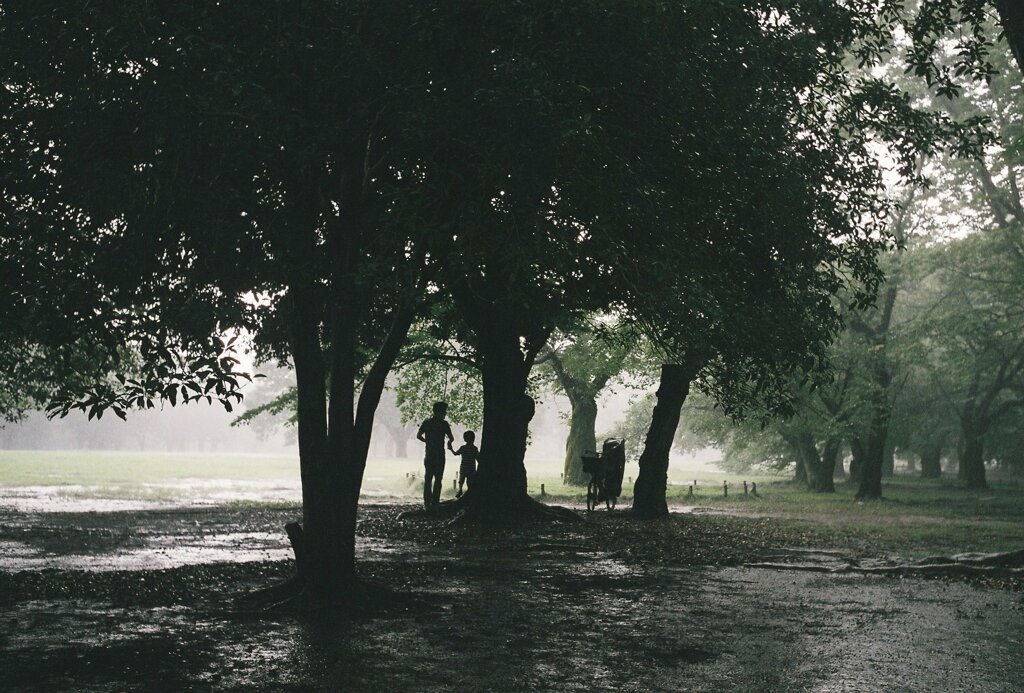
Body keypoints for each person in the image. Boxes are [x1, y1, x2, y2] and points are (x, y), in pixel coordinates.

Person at [417, 401, 454, 507]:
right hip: (440, 455)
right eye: (445, 411)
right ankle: (435, 502)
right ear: (441, 412)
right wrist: (449, 442)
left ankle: (427, 502)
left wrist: (427, 441)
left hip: (429, 454)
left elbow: (418, 435)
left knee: (428, 478)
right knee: (438, 479)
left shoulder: (427, 422)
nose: (446, 413)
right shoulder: (444, 424)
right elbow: (451, 438)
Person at [449, 430, 479, 498]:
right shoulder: (474, 448)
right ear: (473, 438)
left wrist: (451, 449)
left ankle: (460, 491)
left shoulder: (463, 448)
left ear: (465, 439)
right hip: (471, 468)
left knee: (461, 481)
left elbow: (455, 454)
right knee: (470, 482)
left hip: (463, 468)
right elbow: (478, 458)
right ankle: (469, 494)